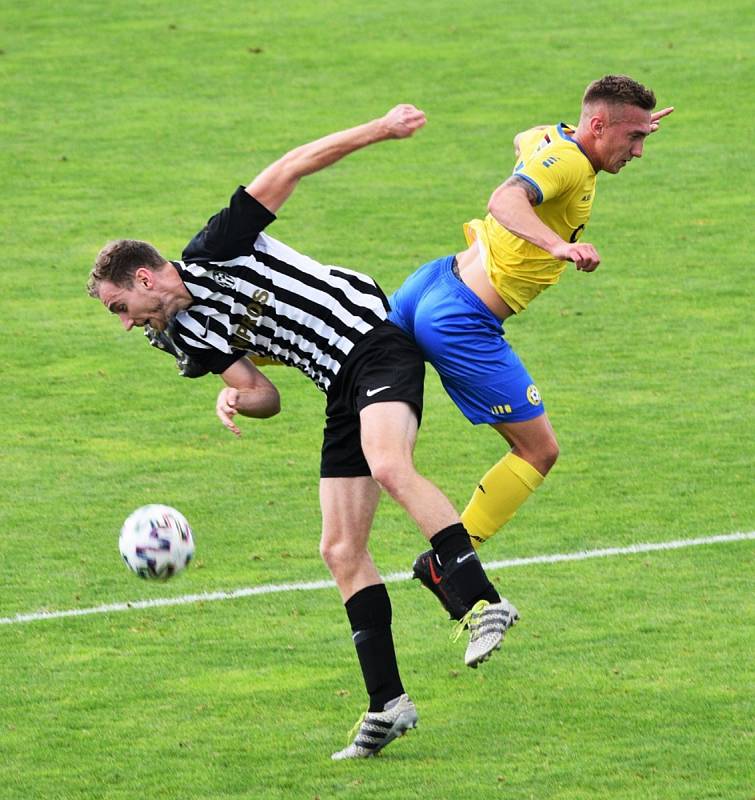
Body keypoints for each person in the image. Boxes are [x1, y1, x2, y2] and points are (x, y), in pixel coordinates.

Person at [86, 105, 518, 760]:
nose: (125, 323)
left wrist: (379, 128)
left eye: (121, 307)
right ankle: (388, 704)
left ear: (144, 278)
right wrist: (235, 396)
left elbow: (292, 165)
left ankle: (480, 599)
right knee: (340, 549)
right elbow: (266, 395)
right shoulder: (182, 332)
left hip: (376, 344)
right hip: (338, 387)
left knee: (387, 463)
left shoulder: (218, 246)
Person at [388, 76, 674, 620]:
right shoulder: (568, 163)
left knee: (353, 362)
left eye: (644, 137)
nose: (639, 150)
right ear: (597, 125)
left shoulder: (556, 141)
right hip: (462, 321)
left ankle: (251, 355)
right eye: (633, 137)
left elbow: (527, 137)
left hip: (433, 281)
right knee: (539, 450)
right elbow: (504, 199)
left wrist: (617, 129)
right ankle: (447, 561)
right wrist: (557, 245)